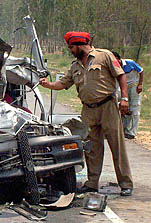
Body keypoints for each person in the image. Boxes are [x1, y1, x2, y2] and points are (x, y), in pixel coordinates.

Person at [40, 31, 133, 196]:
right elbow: (63, 83)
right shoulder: (75, 65)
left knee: (116, 145)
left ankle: (125, 183)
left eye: (71, 47)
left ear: (79, 45)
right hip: (88, 110)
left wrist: (124, 98)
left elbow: (121, 76)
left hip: (107, 106)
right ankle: (92, 183)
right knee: (91, 149)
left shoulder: (104, 56)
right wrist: (48, 85)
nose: (70, 50)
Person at [112, 51, 144, 139]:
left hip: (134, 85)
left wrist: (140, 84)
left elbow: (141, 71)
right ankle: (124, 130)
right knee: (123, 107)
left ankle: (132, 132)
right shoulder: (113, 67)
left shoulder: (130, 63)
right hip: (123, 86)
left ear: (118, 59)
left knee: (135, 107)